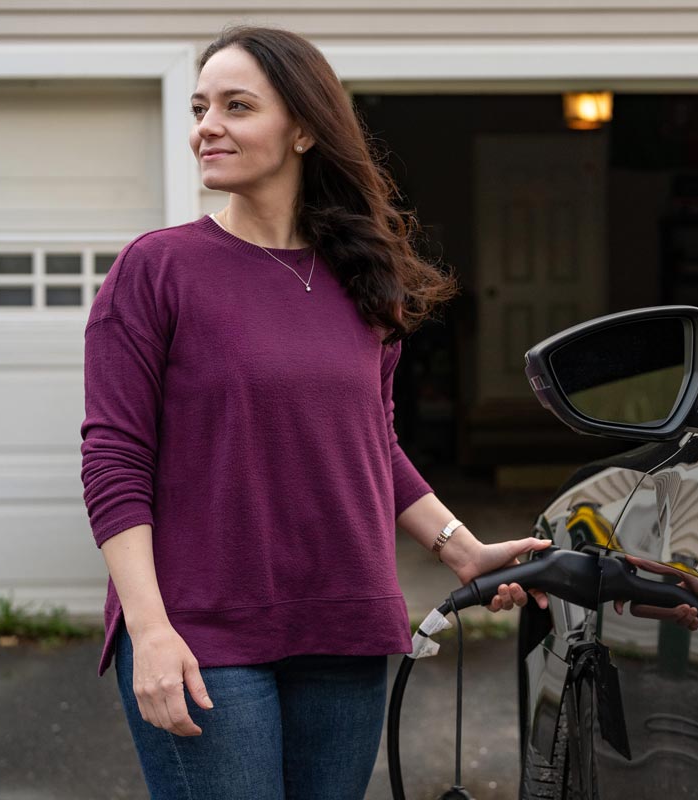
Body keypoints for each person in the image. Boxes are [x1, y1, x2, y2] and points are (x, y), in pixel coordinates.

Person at [79, 26, 545, 799]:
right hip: (203, 630)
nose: (207, 127)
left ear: (302, 128)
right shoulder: (156, 270)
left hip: (344, 621)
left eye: (236, 106)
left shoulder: (365, 280)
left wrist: (459, 548)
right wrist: (149, 631)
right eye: (200, 108)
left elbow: (371, 440)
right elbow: (114, 459)